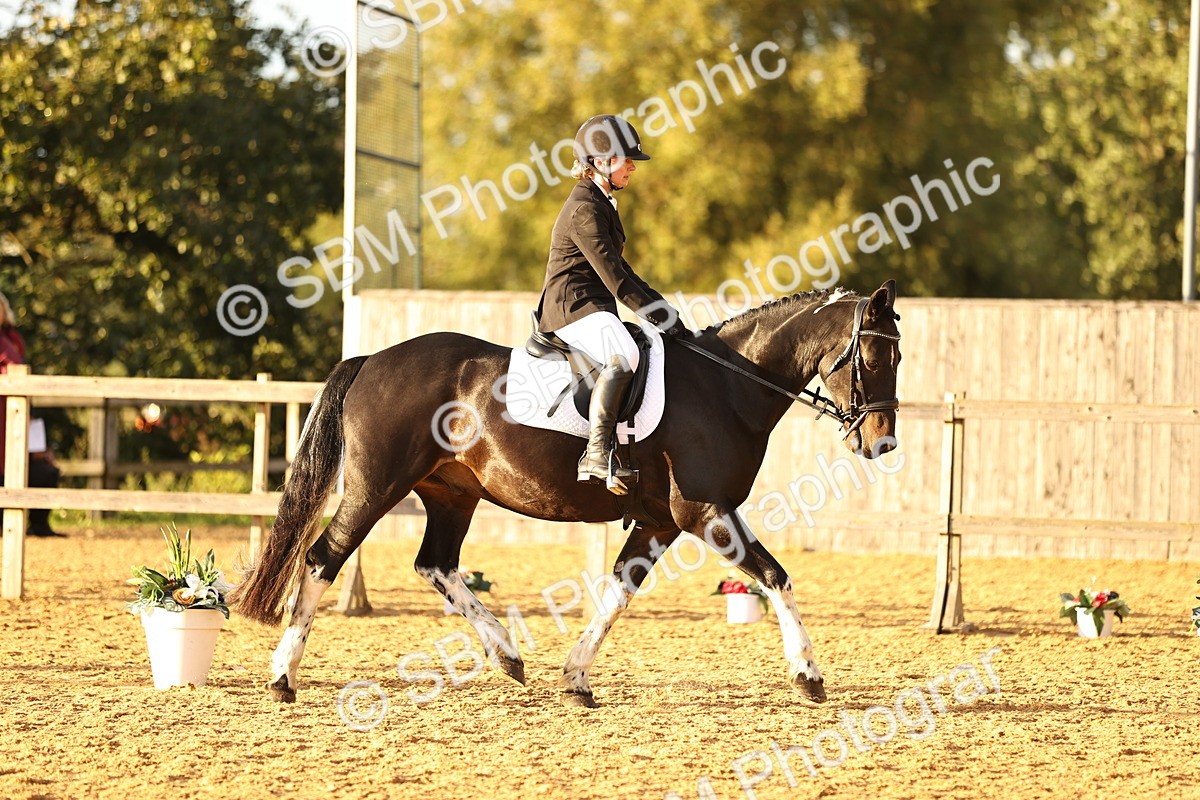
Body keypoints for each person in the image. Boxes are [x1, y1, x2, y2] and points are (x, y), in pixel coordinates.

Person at [535, 115, 688, 494]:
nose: (633, 166)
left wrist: (666, 312)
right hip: (572, 308)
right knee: (625, 354)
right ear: (600, 162)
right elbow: (617, 282)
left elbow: (624, 270)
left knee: (645, 344)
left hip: (592, 306)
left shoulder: (601, 203)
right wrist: (665, 317)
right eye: (626, 160)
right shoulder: (585, 208)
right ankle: (597, 452)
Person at [0, 291, 62, 537]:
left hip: (15, 408)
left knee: (39, 465)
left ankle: (37, 523)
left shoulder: (13, 338)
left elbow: (18, 369)